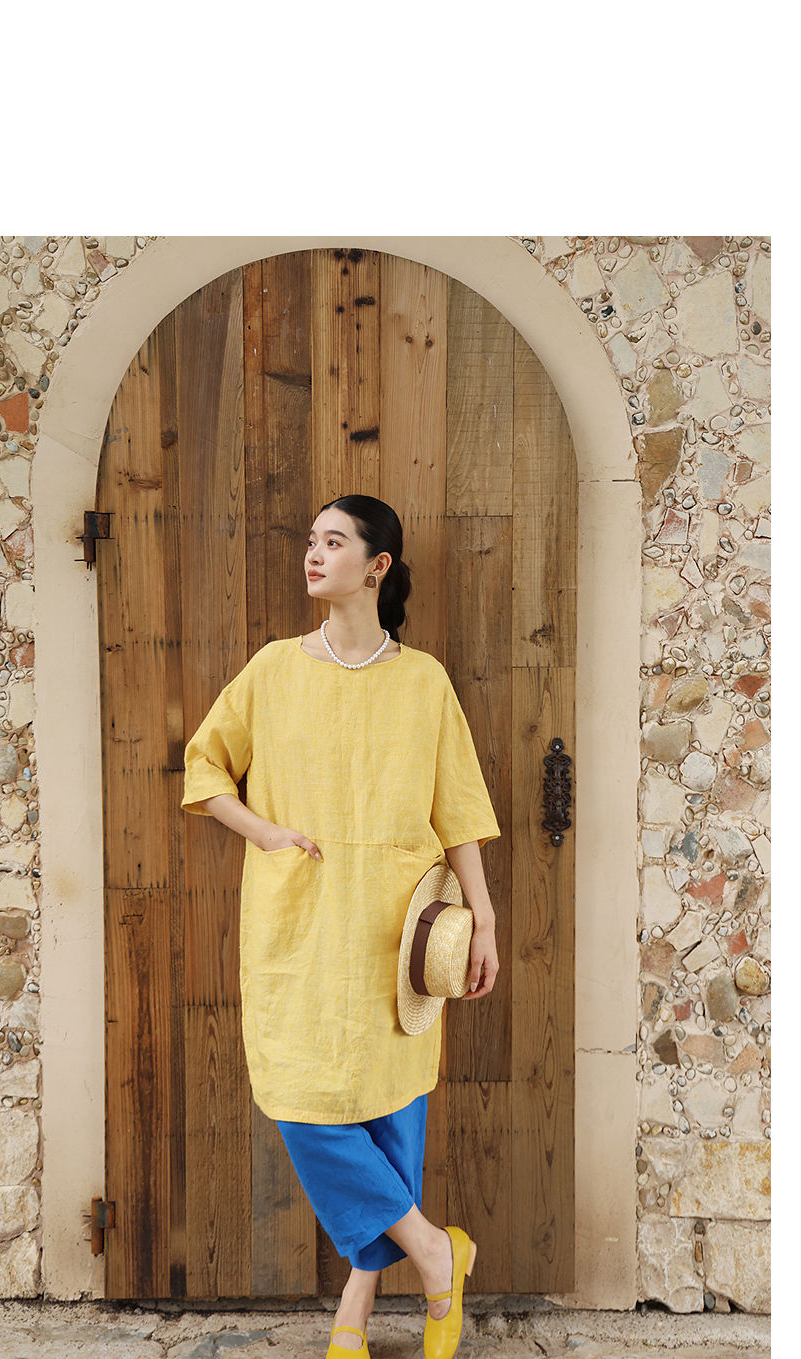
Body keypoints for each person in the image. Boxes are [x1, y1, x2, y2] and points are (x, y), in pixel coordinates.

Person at [181, 494, 500, 1359]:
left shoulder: (423, 680)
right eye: (311, 540)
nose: (313, 554)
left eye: (333, 541)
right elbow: (205, 764)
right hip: (298, 922)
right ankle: (436, 1251)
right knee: (303, 1098)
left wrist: (482, 918)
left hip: (396, 929)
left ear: (377, 565)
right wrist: (264, 831)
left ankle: (356, 1303)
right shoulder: (273, 669)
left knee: (390, 1107)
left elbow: (459, 809)